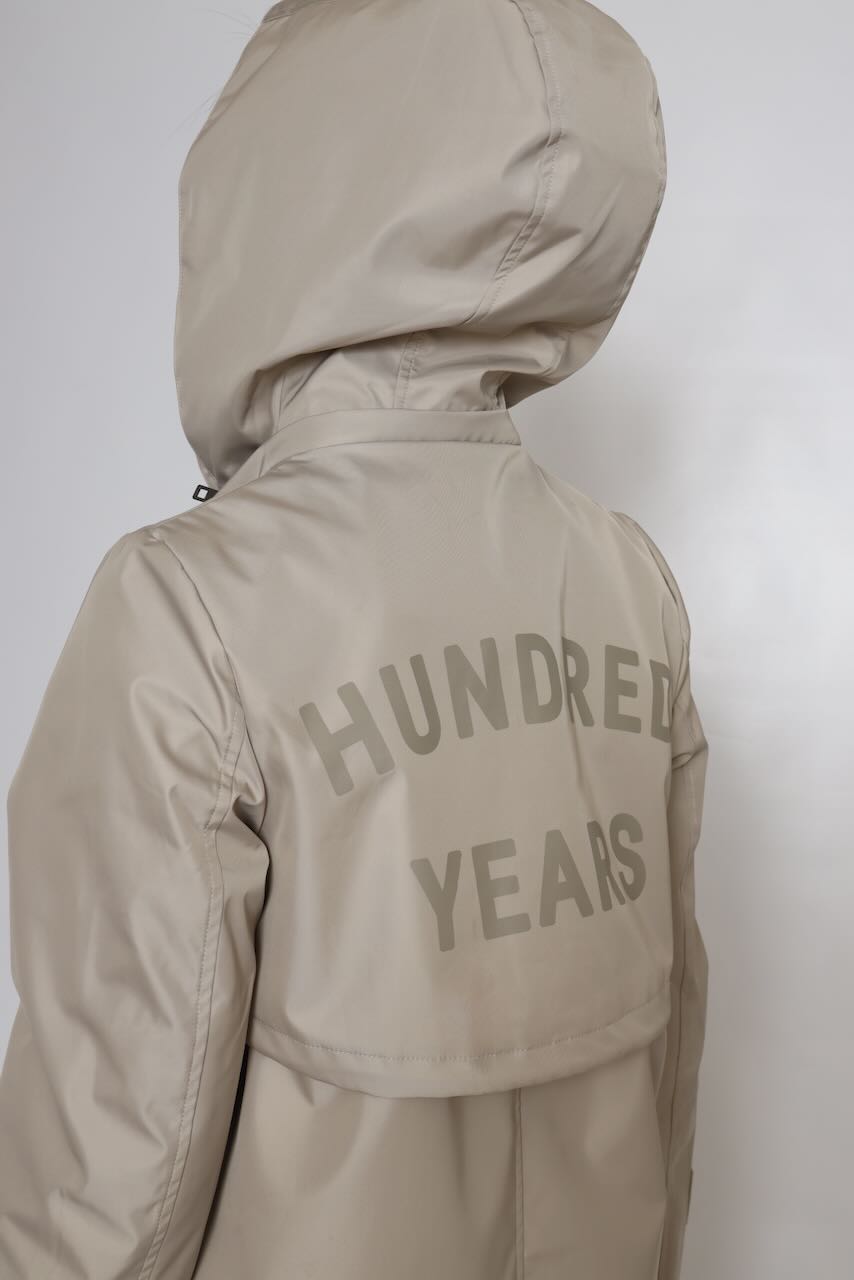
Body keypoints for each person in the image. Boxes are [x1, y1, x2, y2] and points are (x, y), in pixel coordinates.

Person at [0, 0, 709, 1276]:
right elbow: (668, 1057)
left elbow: (112, 1165)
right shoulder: (626, 578)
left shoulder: (188, 602)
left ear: (272, 202)